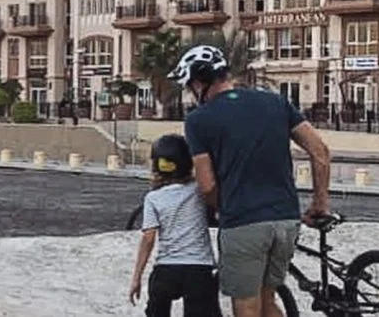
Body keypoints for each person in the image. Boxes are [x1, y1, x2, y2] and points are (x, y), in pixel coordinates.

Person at [170, 44, 332, 317]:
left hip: (243, 224)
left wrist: (222, 207)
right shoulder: (275, 102)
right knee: (267, 302)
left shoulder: (199, 120)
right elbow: (321, 152)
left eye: (189, 85)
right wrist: (320, 203)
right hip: (286, 220)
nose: (190, 92)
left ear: (199, 82)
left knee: (246, 306)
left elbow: (207, 185)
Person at [129, 134, 222, 316]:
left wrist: (137, 277)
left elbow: (148, 239)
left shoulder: (153, 198)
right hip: (199, 269)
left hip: (166, 269)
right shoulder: (198, 190)